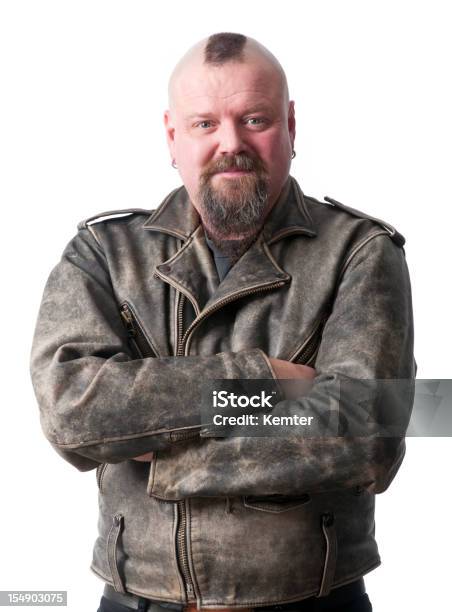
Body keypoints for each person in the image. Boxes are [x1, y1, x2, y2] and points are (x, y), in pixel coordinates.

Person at [29, 32, 416, 612]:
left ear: (290, 125)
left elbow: (366, 433)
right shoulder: (103, 253)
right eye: (205, 124)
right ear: (173, 137)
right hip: (137, 600)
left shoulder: (360, 252)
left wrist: (161, 444)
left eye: (254, 118)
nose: (231, 143)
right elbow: (71, 414)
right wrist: (266, 381)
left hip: (309, 601)